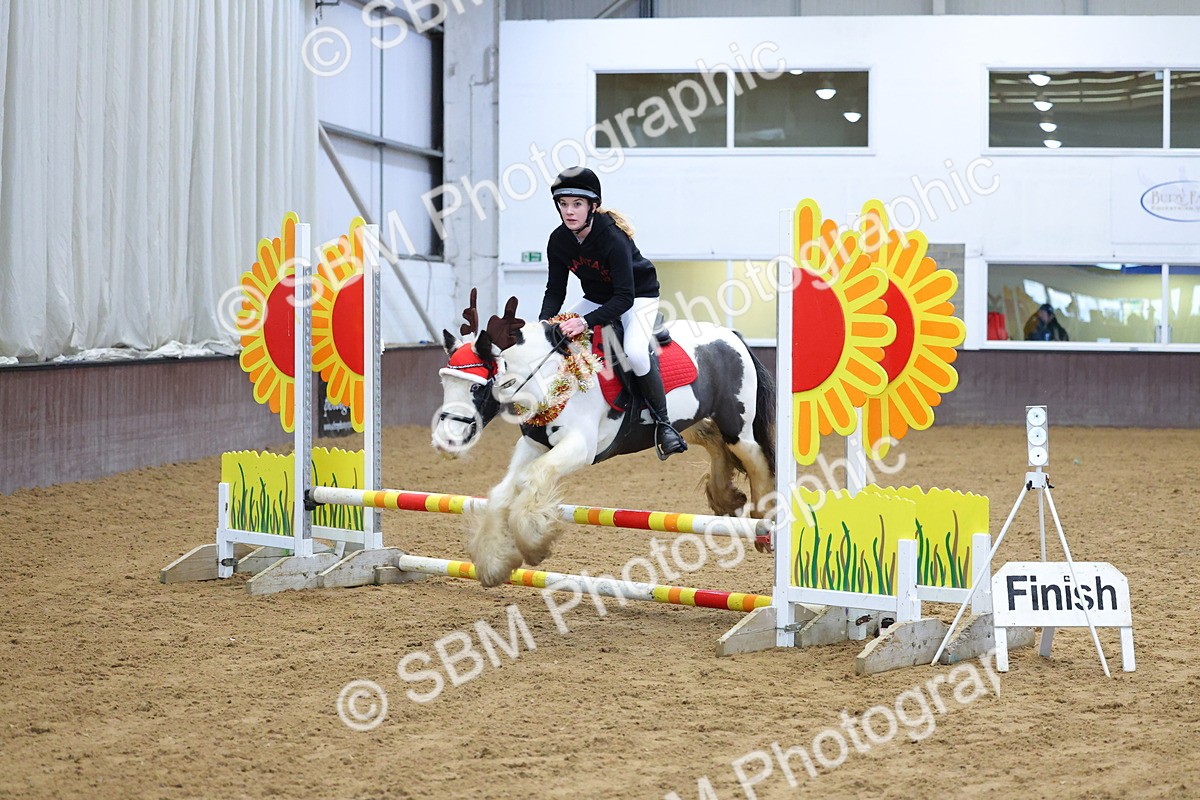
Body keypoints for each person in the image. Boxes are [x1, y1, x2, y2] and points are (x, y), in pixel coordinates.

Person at [538, 166, 687, 460]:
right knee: (553, 339)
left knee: (634, 352)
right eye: (563, 204)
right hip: (596, 298)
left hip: (637, 297)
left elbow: (623, 297)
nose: (569, 211)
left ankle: (664, 425)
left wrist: (585, 322)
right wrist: (544, 321)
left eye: (577, 204)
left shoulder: (612, 238)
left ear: (593, 206)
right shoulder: (558, 240)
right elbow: (555, 289)